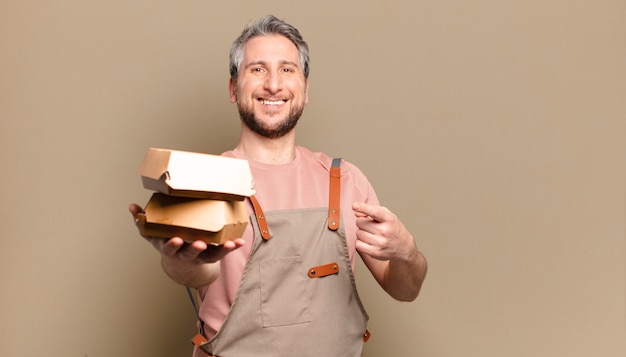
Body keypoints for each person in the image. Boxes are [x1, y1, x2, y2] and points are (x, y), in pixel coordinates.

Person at [129, 14, 427, 356]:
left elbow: (406, 289)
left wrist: (407, 252)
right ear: (232, 89)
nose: (273, 85)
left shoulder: (346, 181)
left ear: (305, 88)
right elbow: (196, 272)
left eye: (287, 69)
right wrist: (178, 260)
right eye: (257, 69)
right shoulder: (206, 182)